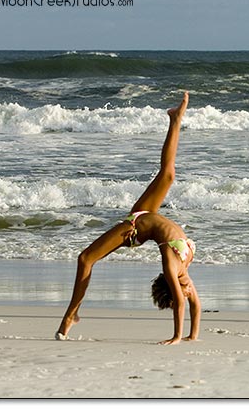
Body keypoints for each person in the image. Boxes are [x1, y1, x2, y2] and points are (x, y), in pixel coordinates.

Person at [56, 91, 200, 345]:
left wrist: (177, 337)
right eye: (186, 290)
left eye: (184, 290)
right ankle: (175, 120)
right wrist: (189, 335)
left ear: (173, 284)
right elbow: (191, 305)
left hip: (134, 228)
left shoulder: (171, 263)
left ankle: (71, 315)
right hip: (147, 214)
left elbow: (182, 302)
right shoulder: (183, 269)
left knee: (85, 259)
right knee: (168, 175)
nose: (189, 292)